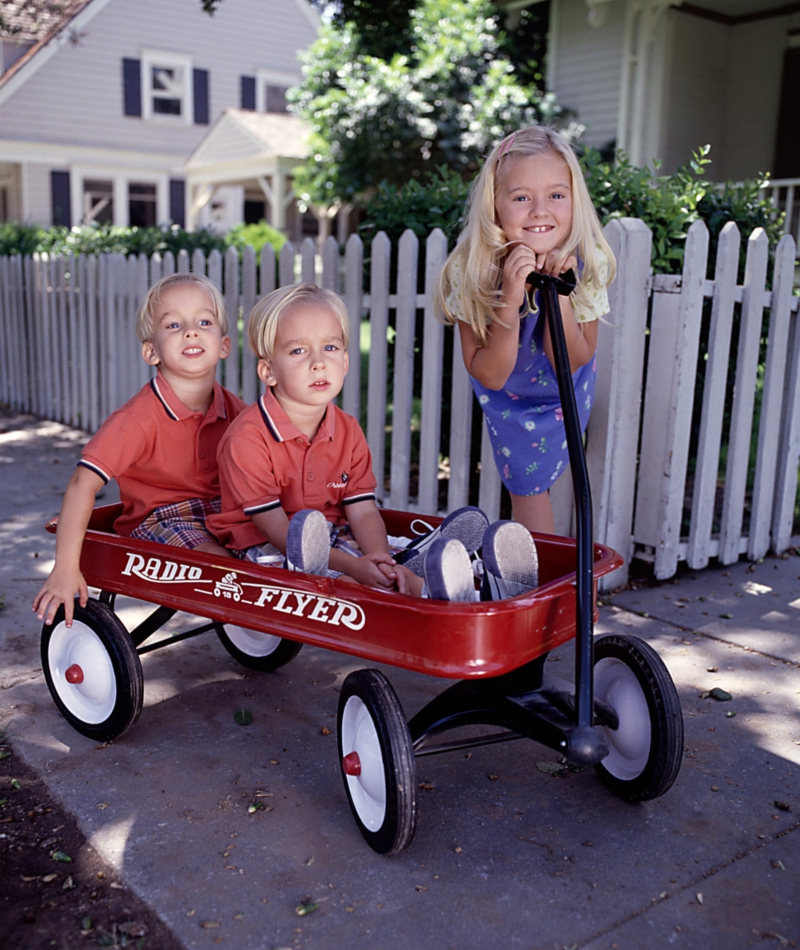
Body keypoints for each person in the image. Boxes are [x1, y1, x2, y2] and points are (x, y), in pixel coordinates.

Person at [208, 283, 527, 601]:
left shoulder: (346, 430)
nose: (318, 362)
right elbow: (276, 531)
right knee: (344, 581)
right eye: (298, 350)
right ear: (268, 371)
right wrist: (356, 567)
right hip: (263, 544)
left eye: (330, 348)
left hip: (333, 534)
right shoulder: (248, 438)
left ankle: (465, 588)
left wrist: (378, 558)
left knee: (384, 564)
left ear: (345, 362)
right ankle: (435, 585)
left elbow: (361, 511)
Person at [33, 273, 246, 627]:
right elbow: (82, 484)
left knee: (267, 545)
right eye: (174, 324)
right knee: (222, 567)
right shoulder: (137, 419)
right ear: (151, 351)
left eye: (204, 321)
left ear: (224, 345)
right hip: (161, 518)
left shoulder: (235, 409)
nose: (191, 331)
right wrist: (65, 568)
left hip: (219, 511)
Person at [436, 125, 616, 535]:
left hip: (564, 387)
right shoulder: (472, 270)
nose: (540, 211)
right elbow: (490, 373)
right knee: (527, 485)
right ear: (494, 205)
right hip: (509, 394)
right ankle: (535, 588)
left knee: (566, 482)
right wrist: (510, 298)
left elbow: (570, 361)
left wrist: (562, 296)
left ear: (574, 200)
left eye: (556, 195)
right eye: (521, 198)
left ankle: (561, 587)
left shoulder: (589, 262)